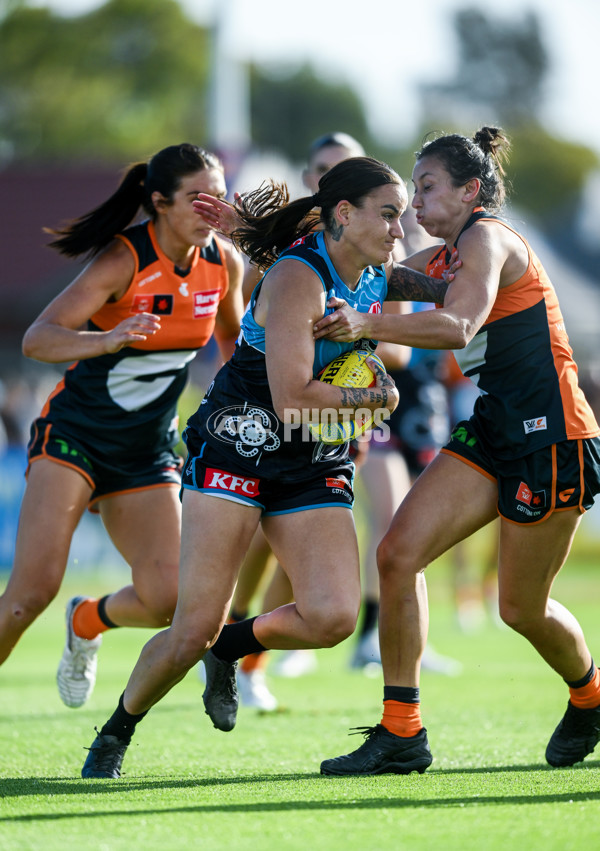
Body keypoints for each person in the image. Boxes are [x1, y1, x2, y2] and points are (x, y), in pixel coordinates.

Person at [79, 155, 451, 778]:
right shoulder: (299, 276)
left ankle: (229, 647)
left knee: (333, 616)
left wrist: (491, 272)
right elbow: (293, 397)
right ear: (343, 214)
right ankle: (116, 731)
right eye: (388, 215)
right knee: (190, 625)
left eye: (402, 218)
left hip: (312, 455)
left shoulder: (378, 273)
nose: (399, 231)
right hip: (238, 443)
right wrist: (376, 398)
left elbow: (445, 294)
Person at [317, 127, 600, 775]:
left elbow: (457, 325)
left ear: (471, 190)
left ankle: (592, 694)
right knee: (397, 553)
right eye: (411, 190)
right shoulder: (448, 257)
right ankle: (401, 732)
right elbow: (386, 279)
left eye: (427, 187)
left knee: (520, 608)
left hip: (552, 436)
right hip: (498, 426)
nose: (414, 202)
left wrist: (364, 321)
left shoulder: (488, 238)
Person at [0, 143, 243, 709]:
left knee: (169, 598)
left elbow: (235, 342)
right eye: (198, 197)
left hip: (146, 450)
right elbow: (38, 338)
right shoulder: (123, 259)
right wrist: (104, 338)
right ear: (159, 203)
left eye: (219, 195)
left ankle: (88, 620)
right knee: (27, 596)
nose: (214, 208)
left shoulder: (223, 262)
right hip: (75, 437)